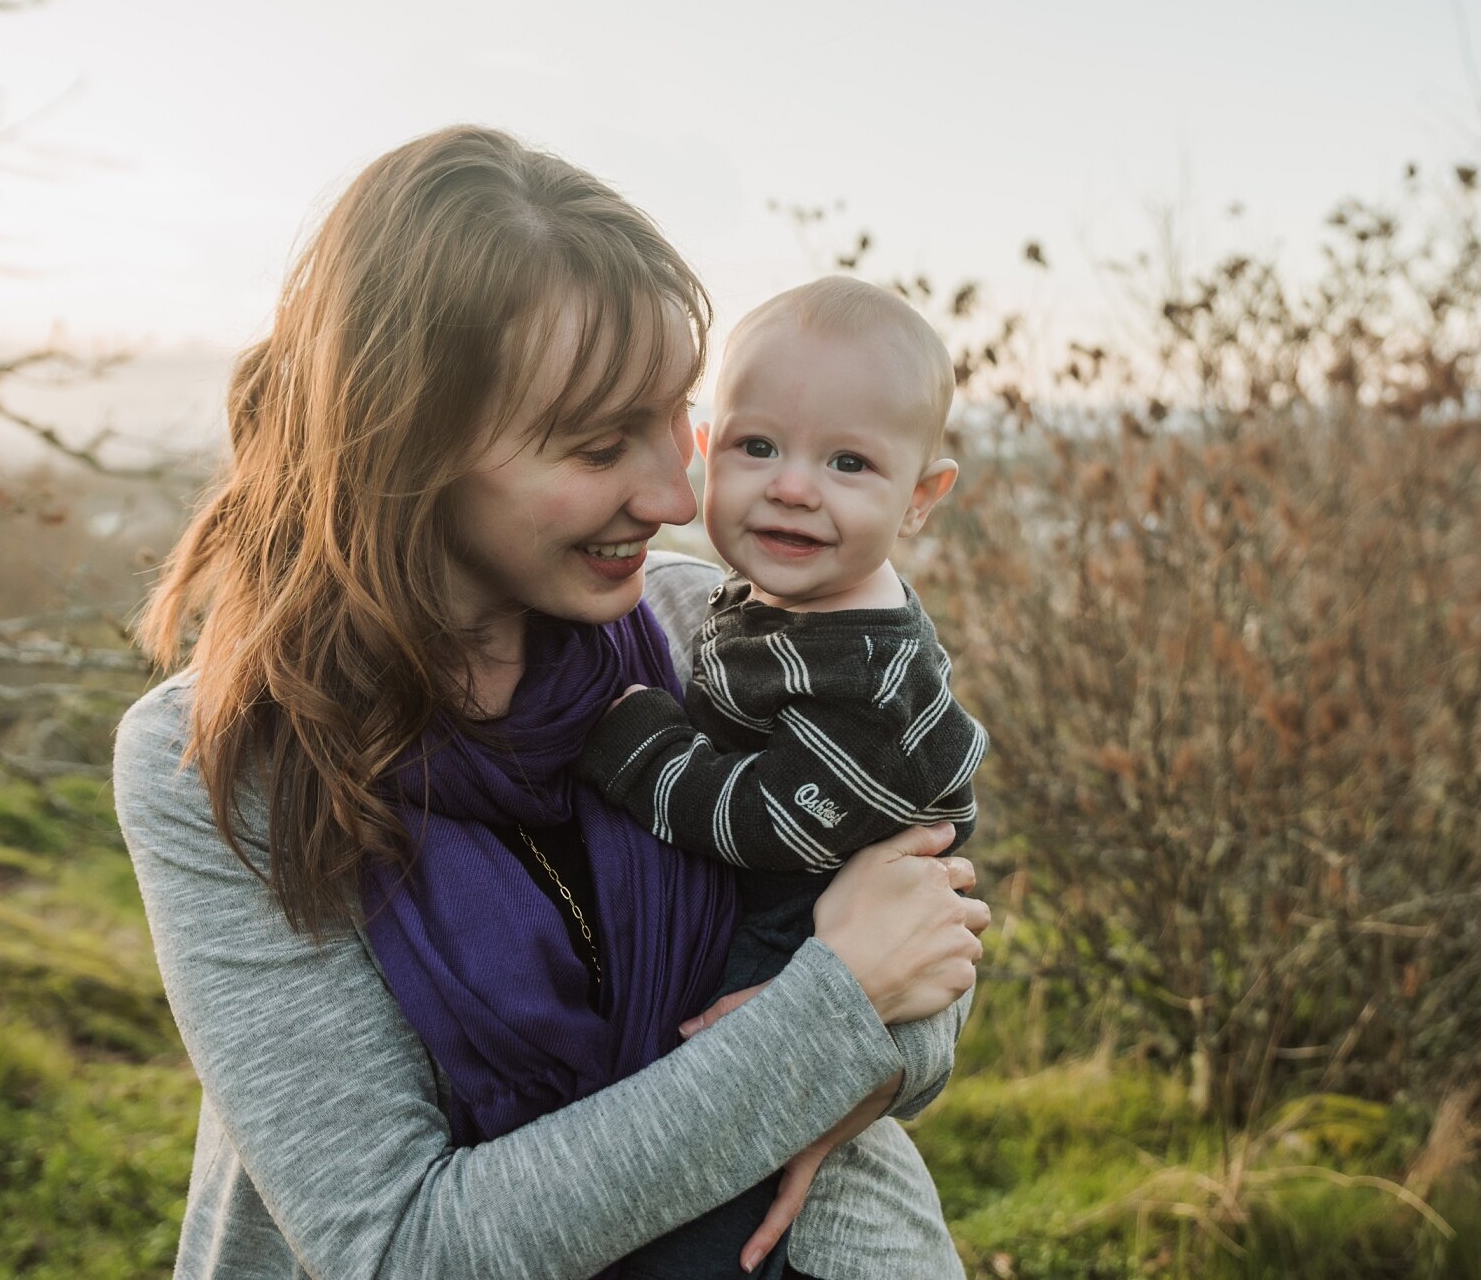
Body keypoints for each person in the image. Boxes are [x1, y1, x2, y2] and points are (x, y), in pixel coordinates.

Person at [111, 124, 989, 1280]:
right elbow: (398, 1245)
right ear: (407, 444)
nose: (674, 492)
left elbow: (919, 945)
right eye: (595, 444)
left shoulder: (703, 627)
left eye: (675, 420)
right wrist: (818, 1029)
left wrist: (884, 1035)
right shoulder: (220, 759)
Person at [575, 277, 986, 1276]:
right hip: (793, 950)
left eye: (848, 462)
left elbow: (762, 817)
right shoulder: (764, 601)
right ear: (708, 452)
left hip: (787, 948)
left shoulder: (867, 673)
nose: (794, 485)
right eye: (759, 447)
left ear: (919, 498)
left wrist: (644, 750)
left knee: (715, 1224)